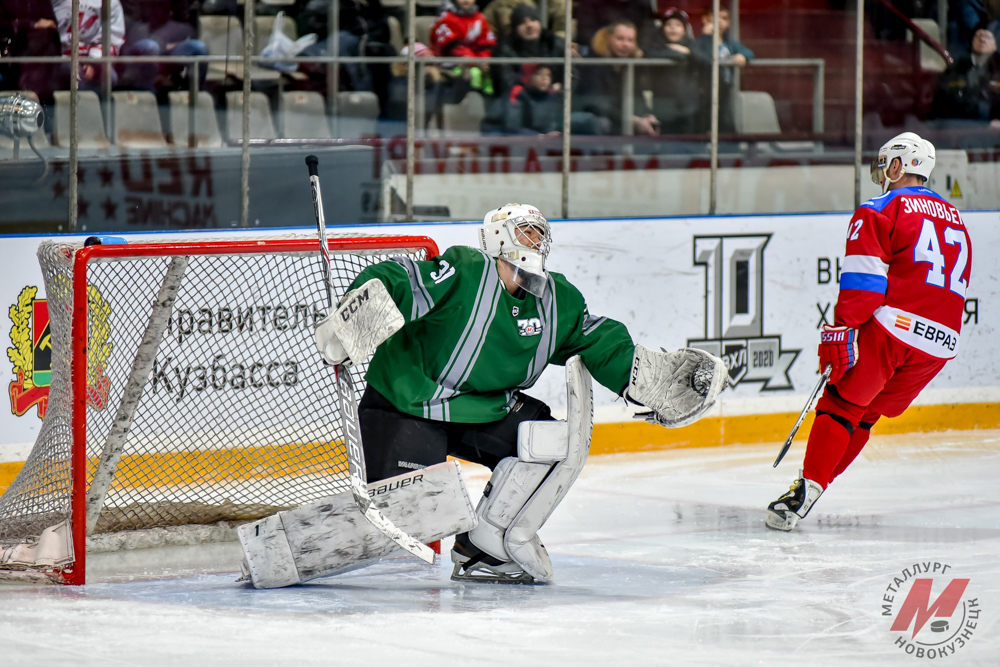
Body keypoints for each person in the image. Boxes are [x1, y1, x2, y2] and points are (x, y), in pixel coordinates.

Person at [315, 203, 727, 581]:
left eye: (538, 231)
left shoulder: (557, 299)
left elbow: (599, 342)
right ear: (498, 238)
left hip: (485, 407)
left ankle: (484, 546)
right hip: (407, 404)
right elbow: (401, 279)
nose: (535, 239)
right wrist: (357, 314)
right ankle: (310, 541)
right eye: (525, 230)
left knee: (552, 445)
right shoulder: (465, 271)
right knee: (410, 519)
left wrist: (647, 377)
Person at [766, 133, 974, 531]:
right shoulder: (957, 220)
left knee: (840, 406)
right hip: (941, 345)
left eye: (886, 164)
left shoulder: (880, 208)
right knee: (868, 413)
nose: (882, 172)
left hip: (893, 332)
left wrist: (841, 330)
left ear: (899, 166)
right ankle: (814, 486)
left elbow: (865, 283)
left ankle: (804, 494)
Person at [575, 19, 659, 135]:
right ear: (609, 39)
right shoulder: (592, 65)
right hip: (595, 122)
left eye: (630, 40)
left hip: (619, 120)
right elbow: (598, 106)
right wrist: (632, 120)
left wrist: (646, 116)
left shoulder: (631, 67)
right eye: (620, 39)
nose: (626, 44)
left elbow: (638, 99)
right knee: (602, 123)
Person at [117, 0, 208, 92]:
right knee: (150, 46)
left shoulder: (181, 27)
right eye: (157, 6)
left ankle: (191, 94)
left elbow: (190, 38)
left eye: (162, 6)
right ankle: (148, 93)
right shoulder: (137, 25)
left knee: (199, 47)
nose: (159, 10)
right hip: (141, 61)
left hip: (168, 56)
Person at [643, 7, 707, 134]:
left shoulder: (690, 44)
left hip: (688, 104)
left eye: (677, 25)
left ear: (684, 29)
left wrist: (687, 52)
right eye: (668, 24)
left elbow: (704, 61)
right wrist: (675, 53)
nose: (673, 28)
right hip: (663, 103)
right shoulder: (656, 42)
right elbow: (649, 54)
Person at [693, 6, 753, 133]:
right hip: (704, 91)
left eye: (724, 18)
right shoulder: (700, 42)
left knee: (726, 123)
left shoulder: (729, 43)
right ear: (705, 19)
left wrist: (743, 56)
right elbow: (705, 59)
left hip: (725, 88)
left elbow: (749, 52)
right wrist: (707, 36)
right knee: (704, 124)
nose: (720, 21)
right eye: (715, 17)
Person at [50, 0, 125, 93]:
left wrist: (93, 61)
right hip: (61, 58)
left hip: (91, 58)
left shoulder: (111, 2)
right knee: (72, 72)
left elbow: (112, 37)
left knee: (109, 76)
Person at [491, 4, 565, 97]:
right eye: (522, 22)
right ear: (515, 29)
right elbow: (505, 85)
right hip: (518, 104)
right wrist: (532, 89)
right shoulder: (504, 49)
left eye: (533, 20)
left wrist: (559, 91)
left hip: (554, 102)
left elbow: (572, 77)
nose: (529, 25)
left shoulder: (553, 43)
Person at [930, 28, 1000, 124]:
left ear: (995, 46)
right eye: (979, 36)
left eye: (988, 37)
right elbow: (942, 99)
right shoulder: (956, 68)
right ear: (973, 41)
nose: (983, 39)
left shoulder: (997, 69)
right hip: (960, 125)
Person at [0, 0, 61, 99]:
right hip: (14, 43)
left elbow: (51, 22)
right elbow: (4, 24)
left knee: (46, 41)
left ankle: (44, 101)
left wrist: (38, 26)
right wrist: (32, 25)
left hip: (40, 43)